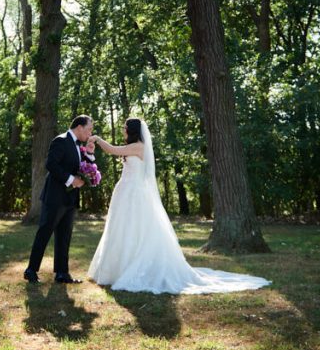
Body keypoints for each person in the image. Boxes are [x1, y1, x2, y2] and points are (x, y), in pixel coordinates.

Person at [87, 118, 270, 294]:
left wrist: (97, 139)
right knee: (122, 229)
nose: (123, 129)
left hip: (135, 194)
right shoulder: (133, 146)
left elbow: (112, 150)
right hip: (126, 192)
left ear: (132, 130)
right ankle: (118, 268)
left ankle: (132, 267)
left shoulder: (138, 147)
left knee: (135, 229)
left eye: (125, 127)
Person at [24, 115, 96, 284]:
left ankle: (62, 273)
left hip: (70, 197)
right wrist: (71, 179)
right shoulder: (61, 141)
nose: (90, 133)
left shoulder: (79, 146)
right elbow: (51, 164)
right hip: (55, 196)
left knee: (64, 236)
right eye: (89, 129)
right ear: (79, 127)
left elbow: (82, 166)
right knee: (45, 232)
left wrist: (90, 153)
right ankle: (31, 270)